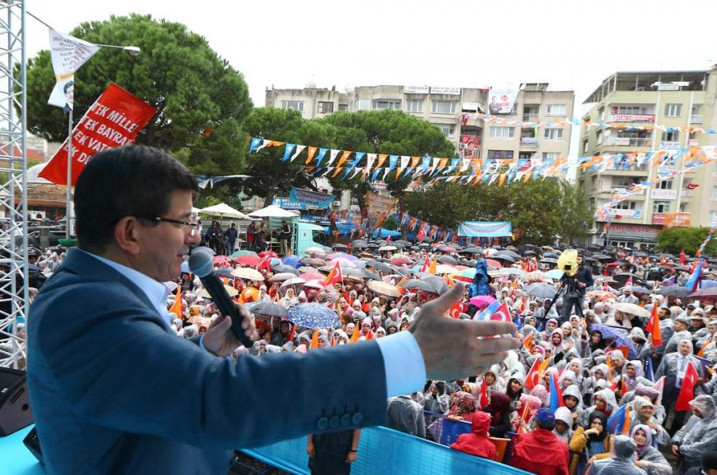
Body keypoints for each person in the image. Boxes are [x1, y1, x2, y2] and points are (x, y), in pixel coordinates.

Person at [26, 145, 519, 473]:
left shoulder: (100, 293)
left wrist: (203, 348)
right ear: (130, 232)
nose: (194, 237)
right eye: (182, 222)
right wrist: (410, 356)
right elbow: (211, 400)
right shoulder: (83, 306)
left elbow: (141, 384)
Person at [509, 408, 570, 475]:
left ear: (536, 422)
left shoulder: (523, 439)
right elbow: (564, 471)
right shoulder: (562, 448)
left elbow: (513, 464)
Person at [559, 254, 594, 322]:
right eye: (576, 259)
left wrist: (584, 284)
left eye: (579, 259)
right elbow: (563, 278)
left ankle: (577, 325)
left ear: (582, 260)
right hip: (569, 292)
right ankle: (565, 324)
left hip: (580, 293)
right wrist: (561, 282)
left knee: (578, 312)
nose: (577, 261)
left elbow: (591, 282)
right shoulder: (570, 268)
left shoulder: (586, 270)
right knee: (566, 311)